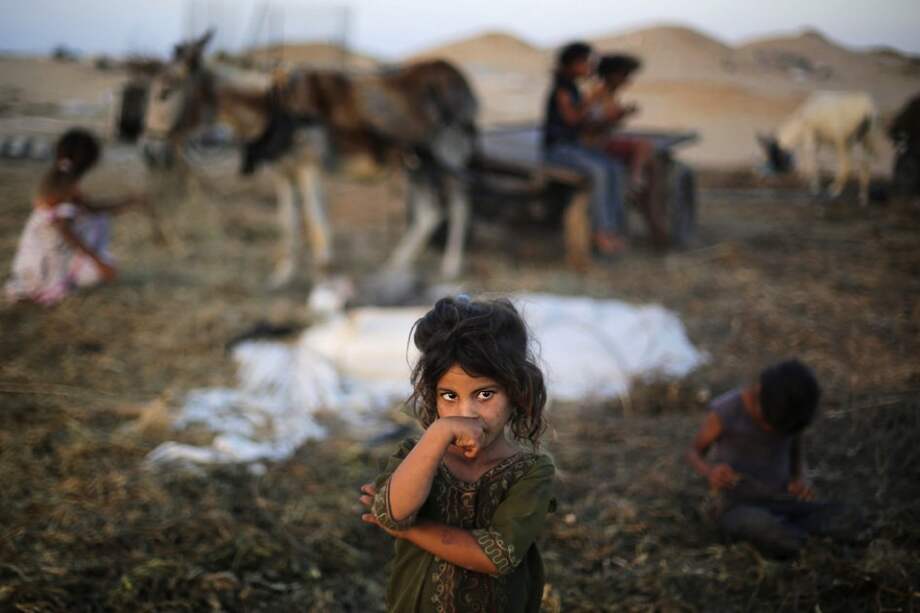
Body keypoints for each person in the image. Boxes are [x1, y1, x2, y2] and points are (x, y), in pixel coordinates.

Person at [359, 295, 555, 612]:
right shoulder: (418, 455)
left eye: (485, 394)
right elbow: (391, 512)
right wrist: (438, 434)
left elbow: (497, 555)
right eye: (449, 396)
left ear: (517, 392)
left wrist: (411, 530)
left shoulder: (531, 470)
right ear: (431, 396)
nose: (466, 412)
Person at [687, 359, 855, 558]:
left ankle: (796, 538)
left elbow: (795, 447)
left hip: (782, 502)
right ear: (758, 396)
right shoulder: (727, 411)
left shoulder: (791, 414)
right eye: (770, 426)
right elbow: (693, 451)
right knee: (761, 526)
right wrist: (711, 473)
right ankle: (811, 549)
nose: (774, 433)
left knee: (846, 515)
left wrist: (799, 478)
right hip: (738, 505)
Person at [4, 128, 146, 305]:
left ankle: (39, 285)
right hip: (47, 255)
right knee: (104, 259)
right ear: (90, 161)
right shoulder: (67, 187)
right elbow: (64, 228)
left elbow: (91, 208)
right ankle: (46, 288)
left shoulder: (58, 179)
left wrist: (128, 203)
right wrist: (98, 261)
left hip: (36, 251)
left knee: (97, 219)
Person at [542, 41, 628, 256]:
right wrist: (591, 101)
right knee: (599, 173)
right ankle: (601, 231)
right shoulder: (562, 89)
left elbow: (584, 122)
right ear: (573, 64)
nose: (590, 69)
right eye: (586, 63)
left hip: (573, 147)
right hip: (559, 149)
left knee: (614, 168)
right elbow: (572, 119)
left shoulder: (573, 89)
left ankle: (614, 227)